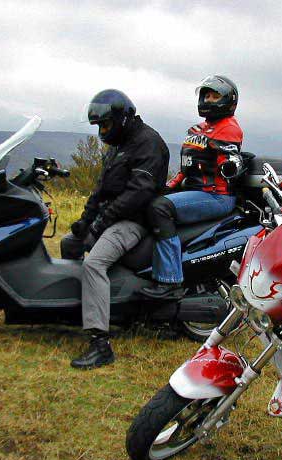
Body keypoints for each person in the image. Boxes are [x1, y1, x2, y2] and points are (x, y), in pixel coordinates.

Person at [61, 89, 169, 369]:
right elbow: (101, 189)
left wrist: (101, 222)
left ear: (122, 118)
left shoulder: (148, 143)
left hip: (134, 221)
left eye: (105, 125)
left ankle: (100, 344)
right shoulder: (119, 145)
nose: (102, 131)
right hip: (113, 217)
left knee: (94, 263)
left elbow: (139, 192)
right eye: (99, 126)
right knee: (69, 243)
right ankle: (77, 310)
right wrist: (85, 221)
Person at [141, 75, 244, 299]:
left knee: (160, 208)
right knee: (148, 200)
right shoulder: (197, 129)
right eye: (206, 95)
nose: (208, 100)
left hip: (216, 196)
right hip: (195, 190)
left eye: (214, 96)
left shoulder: (228, 128)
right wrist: (169, 186)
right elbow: (187, 168)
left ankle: (170, 280)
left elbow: (230, 162)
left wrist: (229, 163)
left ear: (228, 101)